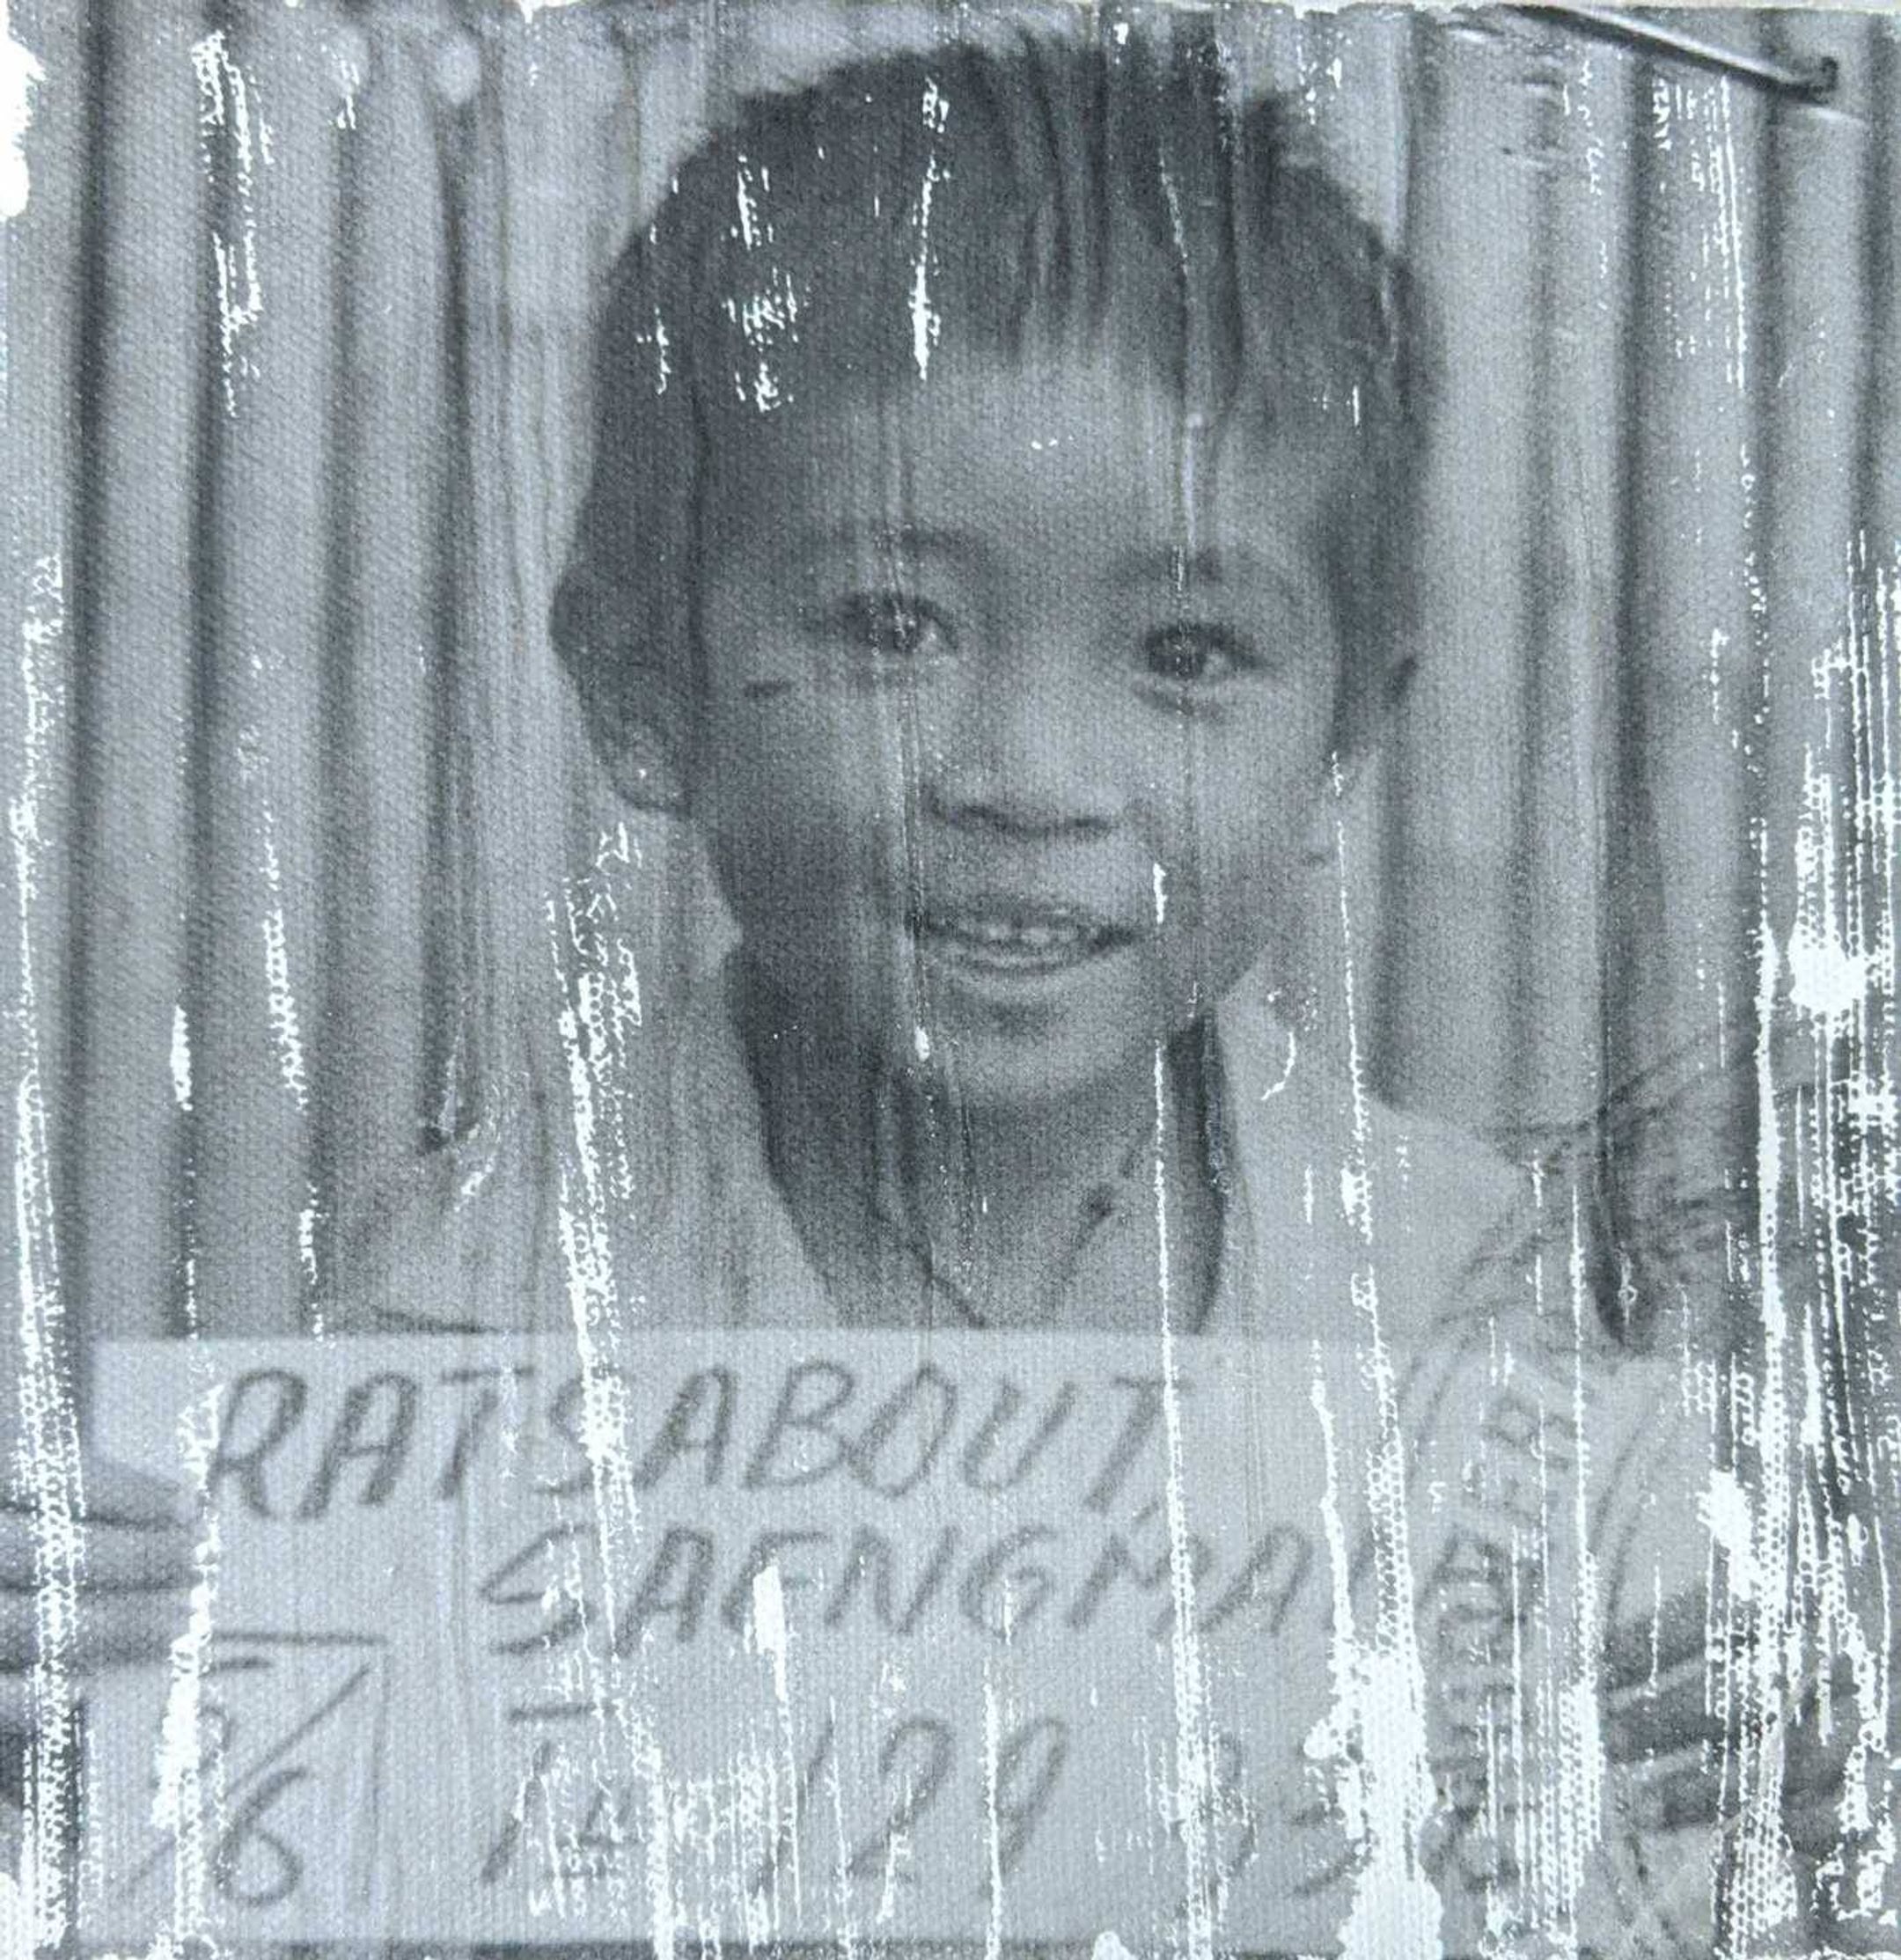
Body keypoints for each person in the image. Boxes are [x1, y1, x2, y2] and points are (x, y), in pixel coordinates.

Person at [1, 24, 1866, 1952]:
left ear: (1339, 749)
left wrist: (1785, 1829)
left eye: (1188, 646)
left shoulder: (1495, 1324)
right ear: (647, 691)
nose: (1027, 775)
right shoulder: (429, 1352)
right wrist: (57, 1758)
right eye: (893, 622)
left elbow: (1633, 1878)